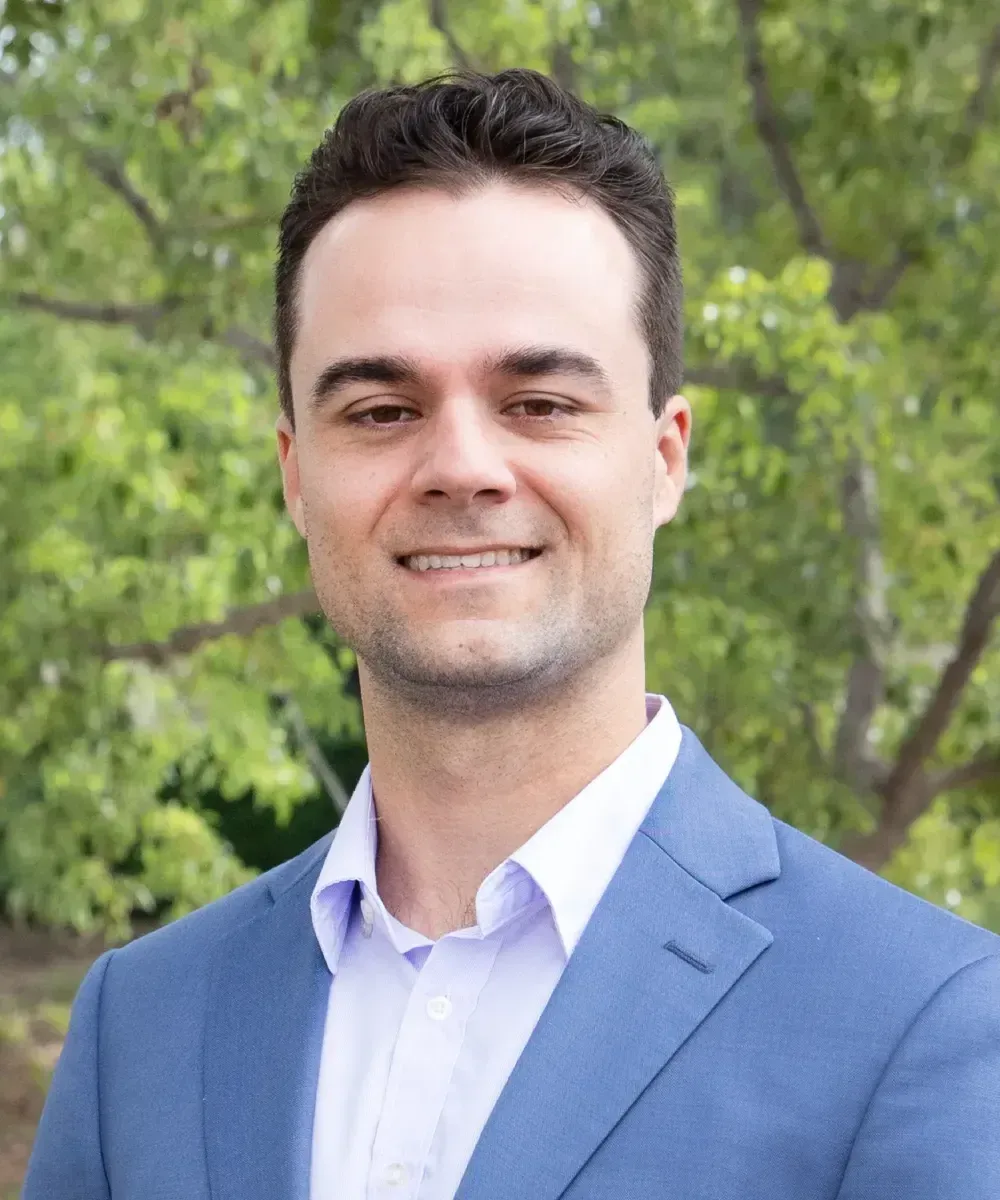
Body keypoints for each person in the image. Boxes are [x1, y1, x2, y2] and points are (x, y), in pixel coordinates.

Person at [24, 68, 1000, 1200]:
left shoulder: (923, 1023)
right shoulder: (136, 1028)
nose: (461, 469)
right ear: (296, 474)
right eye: (381, 411)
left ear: (664, 457)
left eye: (540, 402)